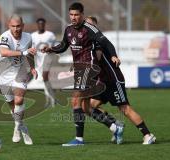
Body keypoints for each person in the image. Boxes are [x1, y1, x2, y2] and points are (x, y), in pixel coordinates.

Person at [42, 2, 124, 146]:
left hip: (89, 67)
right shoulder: (68, 30)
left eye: (76, 15)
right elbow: (63, 46)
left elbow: (106, 42)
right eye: (71, 15)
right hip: (80, 69)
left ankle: (79, 139)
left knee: (75, 100)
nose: (73, 17)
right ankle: (114, 127)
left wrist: (114, 55)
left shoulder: (90, 28)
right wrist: (51, 49)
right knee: (86, 107)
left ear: (82, 15)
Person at [82, 16, 156, 145]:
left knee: (125, 109)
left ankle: (147, 135)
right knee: (87, 107)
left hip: (113, 80)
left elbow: (100, 55)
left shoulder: (98, 41)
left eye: (90, 25)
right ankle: (116, 125)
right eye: (85, 25)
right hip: (102, 82)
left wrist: (113, 56)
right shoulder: (88, 42)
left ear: (95, 27)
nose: (87, 28)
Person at [0, 14, 37, 145]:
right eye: (13, 26)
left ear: (23, 26)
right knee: (12, 105)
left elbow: (30, 54)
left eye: (18, 26)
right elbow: (3, 52)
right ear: (9, 26)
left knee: (19, 99)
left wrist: (32, 68)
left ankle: (16, 128)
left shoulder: (28, 37)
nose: (16, 29)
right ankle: (22, 127)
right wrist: (23, 53)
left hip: (20, 71)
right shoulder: (5, 36)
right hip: (4, 73)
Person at [31, 18, 58, 108]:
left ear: (44, 24)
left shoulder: (50, 35)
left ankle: (50, 101)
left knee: (45, 78)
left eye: (42, 24)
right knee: (45, 81)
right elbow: (32, 48)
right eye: (39, 24)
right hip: (38, 61)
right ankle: (52, 98)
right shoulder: (33, 36)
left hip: (48, 59)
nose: (41, 25)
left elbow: (56, 47)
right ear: (37, 25)